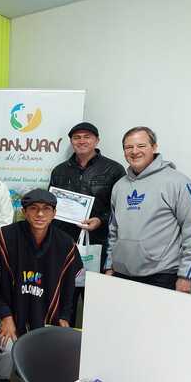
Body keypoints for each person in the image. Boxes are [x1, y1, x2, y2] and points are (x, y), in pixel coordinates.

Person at [0, 188, 84, 382]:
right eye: (33, 209)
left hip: (44, 305)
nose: (40, 214)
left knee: (48, 344)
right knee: (8, 344)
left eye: (46, 209)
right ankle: (2, 380)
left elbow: (70, 285)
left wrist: (65, 315)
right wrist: (5, 315)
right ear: (24, 212)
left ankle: (35, 379)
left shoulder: (65, 243)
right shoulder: (4, 237)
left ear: (54, 213)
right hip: (10, 304)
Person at [105, 126, 191, 292]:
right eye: (128, 147)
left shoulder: (178, 182)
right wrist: (109, 265)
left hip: (162, 276)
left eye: (141, 146)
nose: (134, 151)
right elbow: (113, 230)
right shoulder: (119, 186)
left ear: (154, 147)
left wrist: (187, 275)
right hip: (121, 274)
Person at [49, 122, 125, 325]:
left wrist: (100, 219)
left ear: (97, 140)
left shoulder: (114, 170)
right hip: (65, 244)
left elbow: (121, 209)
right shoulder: (59, 171)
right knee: (66, 302)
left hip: (99, 247)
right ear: (71, 142)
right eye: (77, 137)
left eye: (87, 137)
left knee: (96, 303)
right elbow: (51, 205)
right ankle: (63, 346)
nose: (82, 141)